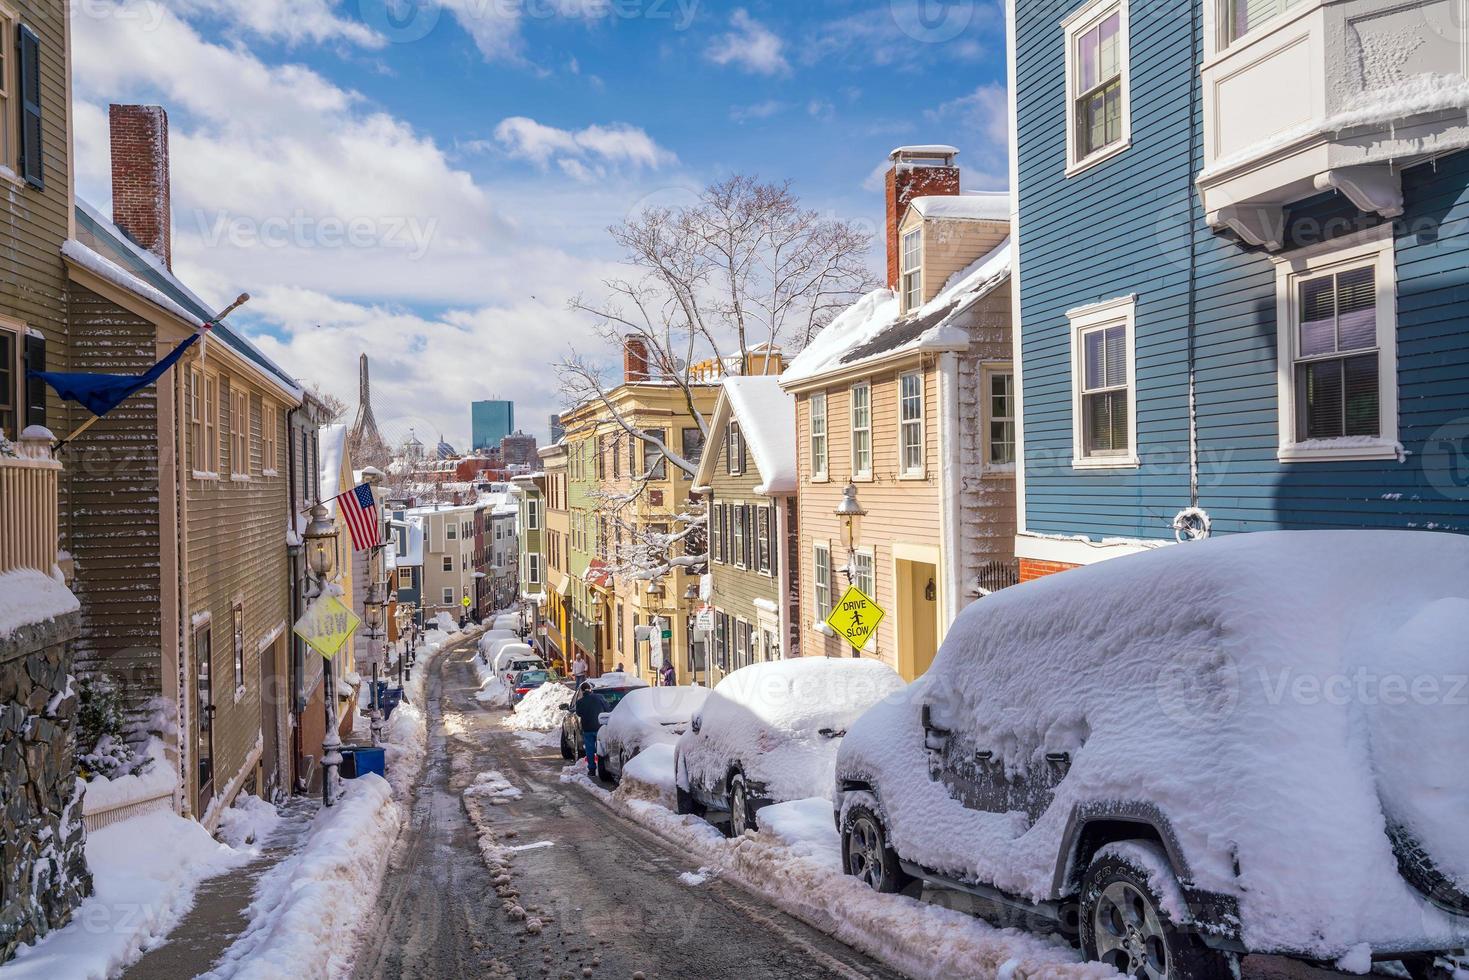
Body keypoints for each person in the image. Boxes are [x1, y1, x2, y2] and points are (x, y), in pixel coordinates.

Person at [574, 683, 610, 778]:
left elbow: (579, 713)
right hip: (599, 727)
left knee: (589, 749)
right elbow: (607, 709)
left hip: (587, 728)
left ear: (582, 691)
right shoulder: (599, 698)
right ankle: (602, 767)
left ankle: (592, 769)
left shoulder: (580, 702)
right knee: (601, 748)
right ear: (590, 689)